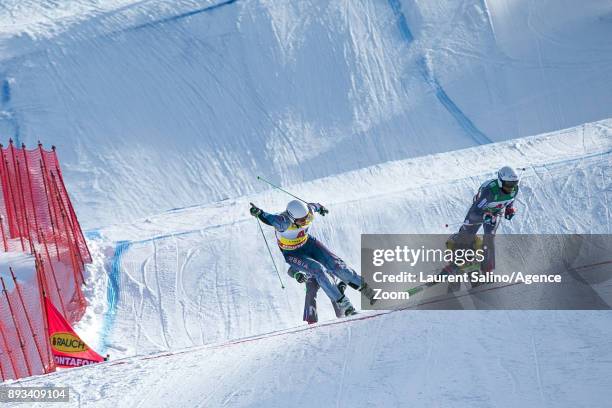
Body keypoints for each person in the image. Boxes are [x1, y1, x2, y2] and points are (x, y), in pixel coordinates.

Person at [250, 200, 376, 316]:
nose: (305, 221)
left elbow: (315, 206)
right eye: (301, 220)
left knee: (337, 266)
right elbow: (268, 218)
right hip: (293, 253)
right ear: (292, 218)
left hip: (309, 244)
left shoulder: (308, 212)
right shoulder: (284, 222)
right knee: (318, 270)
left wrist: (321, 208)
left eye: (307, 218)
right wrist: (259, 212)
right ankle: (345, 305)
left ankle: (368, 290)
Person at [456, 166, 520, 272]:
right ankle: (458, 263)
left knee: (489, 237)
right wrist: (485, 216)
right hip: (479, 211)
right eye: (508, 184)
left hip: (493, 213)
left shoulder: (514, 190)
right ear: (500, 181)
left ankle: (488, 269)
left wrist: (509, 209)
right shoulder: (490, 191)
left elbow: (510, 201)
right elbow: (474, 212)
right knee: (467, 235)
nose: (511, 188)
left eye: (514, 184)